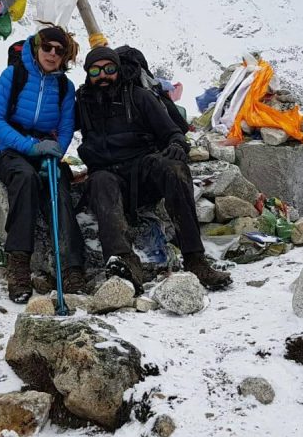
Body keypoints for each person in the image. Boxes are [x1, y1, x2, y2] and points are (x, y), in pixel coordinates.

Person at [75, 46, 232, 293]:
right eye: (95, 70)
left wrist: (177, 145)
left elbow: (172, 132)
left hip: (143, 171)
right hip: (107, 175)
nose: (103, 75)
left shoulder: (139, 97)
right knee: (100, 181)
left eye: (109, 69)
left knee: (173, 169)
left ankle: (195, 259)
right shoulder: (82, 103)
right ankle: (123, 261)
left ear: (118, 69)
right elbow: (56, 126)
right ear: (88, 74)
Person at [0, 24, 86, 303]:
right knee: (25, 178)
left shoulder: (65, 87)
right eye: (47, 48)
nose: (52, 54)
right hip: (8, 148)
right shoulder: (13, 75)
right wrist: (30, 146)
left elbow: (66, 129)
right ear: (36, 46)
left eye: (59, 50)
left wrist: (54, 153)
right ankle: (18, 266)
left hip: (45, 150)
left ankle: (72, 268)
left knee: (58, 185)